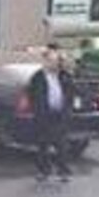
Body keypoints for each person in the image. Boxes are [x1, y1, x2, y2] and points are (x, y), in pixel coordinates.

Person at [27, 43, 76, 182]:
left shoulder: (64, 76)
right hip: (44, 115)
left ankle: (63, 171)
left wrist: (67, 110)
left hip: (60, 114)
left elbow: (71, 93)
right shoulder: (38, 77)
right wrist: (37, 111)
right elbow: (32, 95)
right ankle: (44, 171)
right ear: (45, 61)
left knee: (61, 144)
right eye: (51, 61)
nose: (54, 64)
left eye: (57, 61)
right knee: (43, 144)